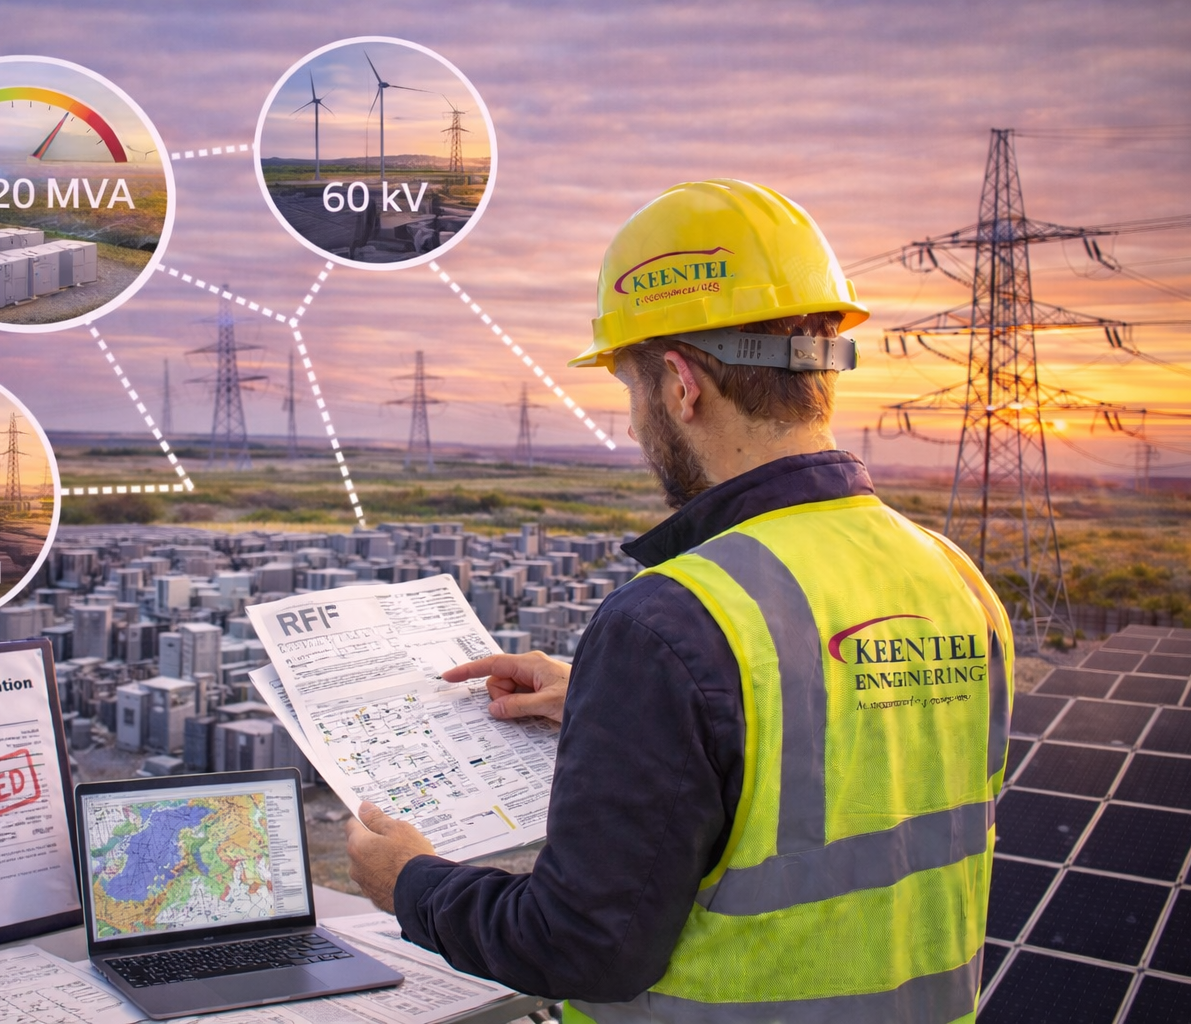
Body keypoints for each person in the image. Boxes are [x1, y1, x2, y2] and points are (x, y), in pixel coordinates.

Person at [346, 179, 1013, 1023]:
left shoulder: (670, 622)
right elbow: (844, 765)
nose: (631, 426)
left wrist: (410, 883)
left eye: (630, 389)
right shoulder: (955, 578)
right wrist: (607, 703)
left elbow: (583, 943)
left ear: (680, 383)